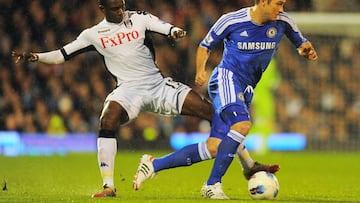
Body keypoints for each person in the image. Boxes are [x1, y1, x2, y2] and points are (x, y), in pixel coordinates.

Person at [11, 0, 277, 198]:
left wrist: (174, 31)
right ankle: (108, 185)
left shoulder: (138, 18)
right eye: (115, 8)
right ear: (102, 8)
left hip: (158, 85)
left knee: (217, 114)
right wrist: (36, 56)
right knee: (108, 119)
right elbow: (62, 54)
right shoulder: (92, 35)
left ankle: (249, 165)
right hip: (128, 90)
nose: (120, 11)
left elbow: (161, 26)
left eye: (122, 5)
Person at [194, 0, 318, 199]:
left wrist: (305, 49)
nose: (281, 9)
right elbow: (204, 46)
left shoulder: (284, 21)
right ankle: (212, 184)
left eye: (283, 4)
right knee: (241, 125)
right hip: (227, 78)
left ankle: (154, 165)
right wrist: (200, 70)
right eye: (278, 4)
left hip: (247, 87)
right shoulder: (231, 20)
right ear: (262, 2)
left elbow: (301, 43)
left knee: (221, 140)